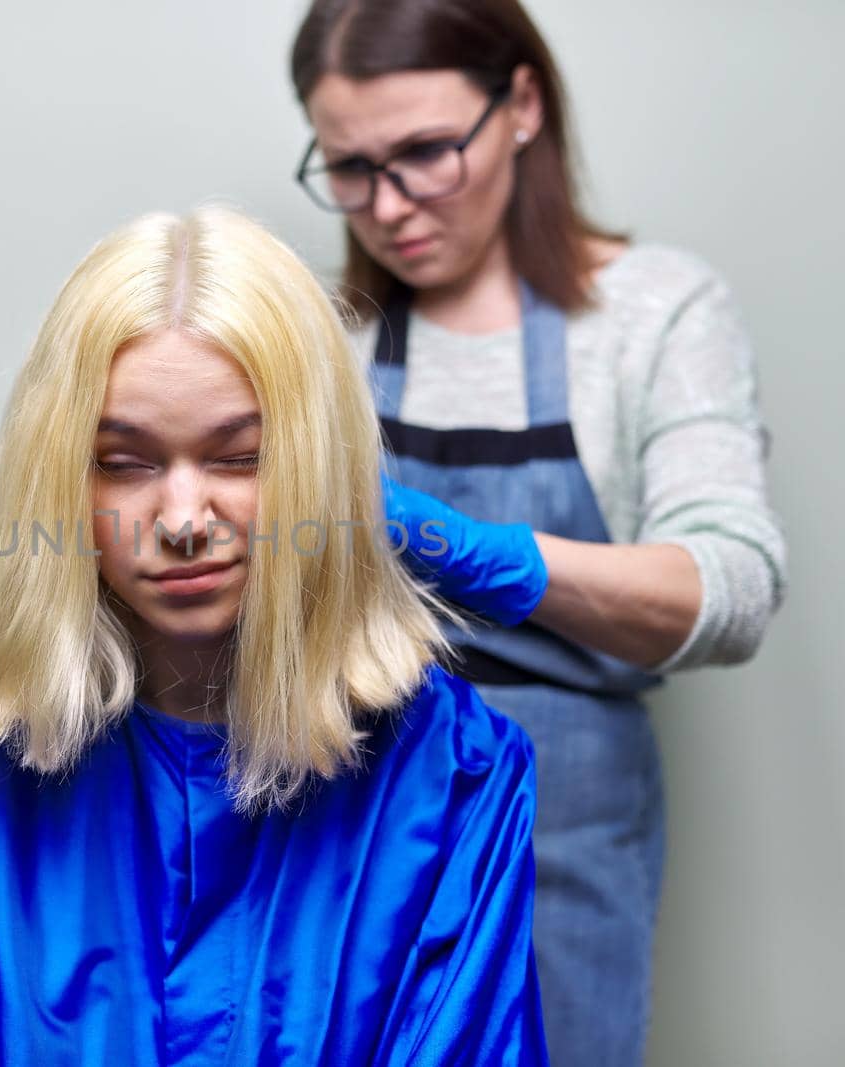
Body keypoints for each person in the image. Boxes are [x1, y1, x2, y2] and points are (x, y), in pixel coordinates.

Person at [0, 207, 549, 1065]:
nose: (181, 520)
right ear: (58, 477)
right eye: (125, 462)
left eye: (241, 458)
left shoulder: (459, 775)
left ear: (320, 466)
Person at [288, 2, 788, 1064]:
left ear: (520, 105)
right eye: (350, 168)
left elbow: (732, 586)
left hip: (564, 818)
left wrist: (497, 557)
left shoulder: (654, 311)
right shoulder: (324, 339)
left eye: (424, 152)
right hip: (337, 804)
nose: (389, 205)